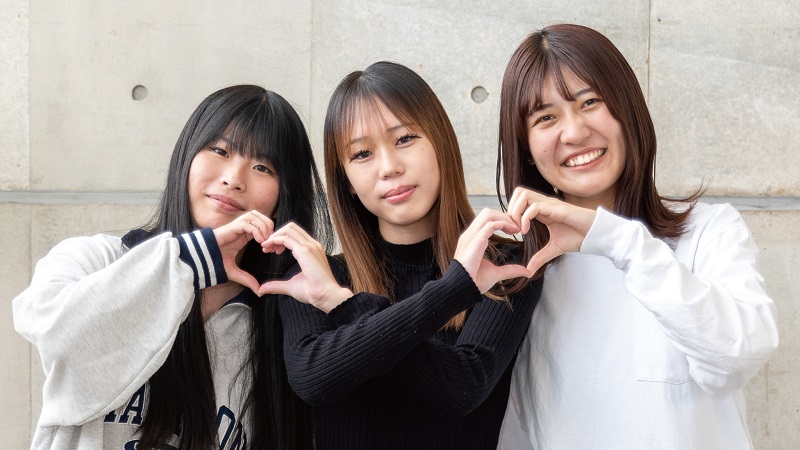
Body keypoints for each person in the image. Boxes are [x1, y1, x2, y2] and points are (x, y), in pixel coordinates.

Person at [494, 24, 779, 449]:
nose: (574, 132)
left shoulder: (709, 231)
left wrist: (621, 242)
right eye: (546, 117)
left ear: (627, 109)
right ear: (527, 148)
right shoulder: (522, 275)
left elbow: (736, 358)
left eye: (590, 102)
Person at [13, 85, 330, 449]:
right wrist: (192, 261)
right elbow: (55, 336)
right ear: (186, 155)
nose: (234, 178)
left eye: (262, 167)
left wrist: (334, 304)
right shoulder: (95, 259)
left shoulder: (277, 325)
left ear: (283, 195)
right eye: (220, 150)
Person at [257, 61, 541, 449]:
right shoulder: (317, 277)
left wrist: (341, 304)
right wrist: (453, 290)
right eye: (362, 154)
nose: (389, 168)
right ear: (347, 182)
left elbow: (465, 385)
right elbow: (313, 380)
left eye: (404, 138)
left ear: (440, 144)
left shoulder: (501, 263)